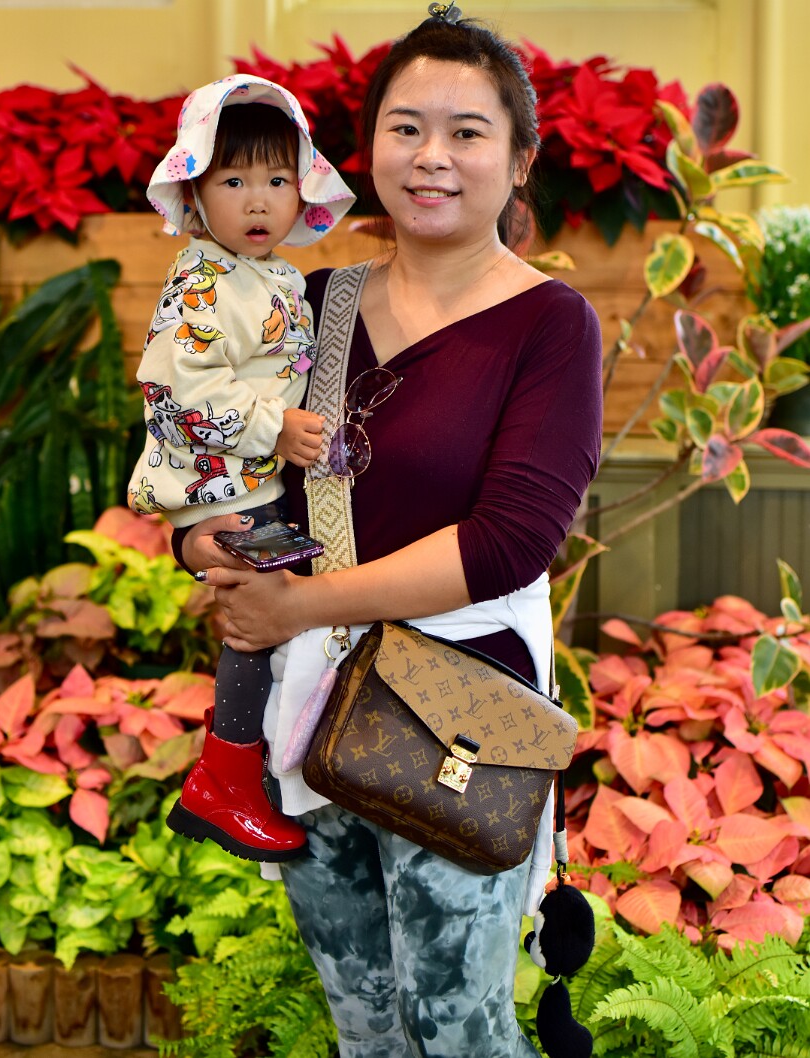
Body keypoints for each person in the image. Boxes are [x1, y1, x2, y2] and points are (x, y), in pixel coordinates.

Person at [173, 9, 603, 1057]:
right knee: (364, 1026)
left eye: (466, 131)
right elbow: (223, 466)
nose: (433, 158)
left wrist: (297, 603)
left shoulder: (550, 324)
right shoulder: (310, 301)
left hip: (460, 717)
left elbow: (511, 539)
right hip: (306, 711)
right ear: (369, 152)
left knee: (458, 1031)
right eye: (406, 128)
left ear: (520, 157)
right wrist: (208, 546)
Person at [127, 74, 355, 863]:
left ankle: (249, 767)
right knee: (258, 624)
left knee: (280, 621)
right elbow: (177, 385)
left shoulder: (281, 277)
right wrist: (273, 425)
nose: (258, 202)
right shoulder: (200, 281)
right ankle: (224, 776)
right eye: (233, 181)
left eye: (277, 180)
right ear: (194, 193)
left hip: (257, 480)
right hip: (219, 484)